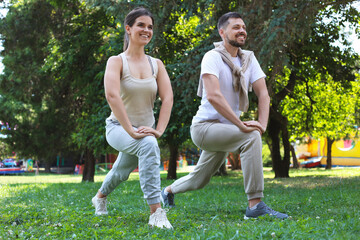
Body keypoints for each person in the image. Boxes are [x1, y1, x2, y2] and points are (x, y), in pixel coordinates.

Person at [161, 12, 288, 220]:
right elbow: (213, 95)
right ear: (222, 32)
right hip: (205, 128)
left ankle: (167, 192)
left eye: (244, 27)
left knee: (199, 179)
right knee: (250, 137)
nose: (242, 31)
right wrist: (241, 124)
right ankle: (255, 206)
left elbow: (263, 94)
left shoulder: (248, 59)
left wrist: (262, 125)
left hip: (226, 129)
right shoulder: (212, 57)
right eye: (236, 27)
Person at [92, 7, 173, 229]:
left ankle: (99, 197)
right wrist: (130, 130)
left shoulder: (156, 64)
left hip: (145, 130)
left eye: (150, 27)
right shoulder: (116, 61)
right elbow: (112, 95)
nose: (146, 30)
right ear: (128, 29)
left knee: (121, 171)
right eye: (141, 25)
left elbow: (168, 99)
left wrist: (159, 130)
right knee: (147, 144)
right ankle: (156, 212)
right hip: (119, 127)